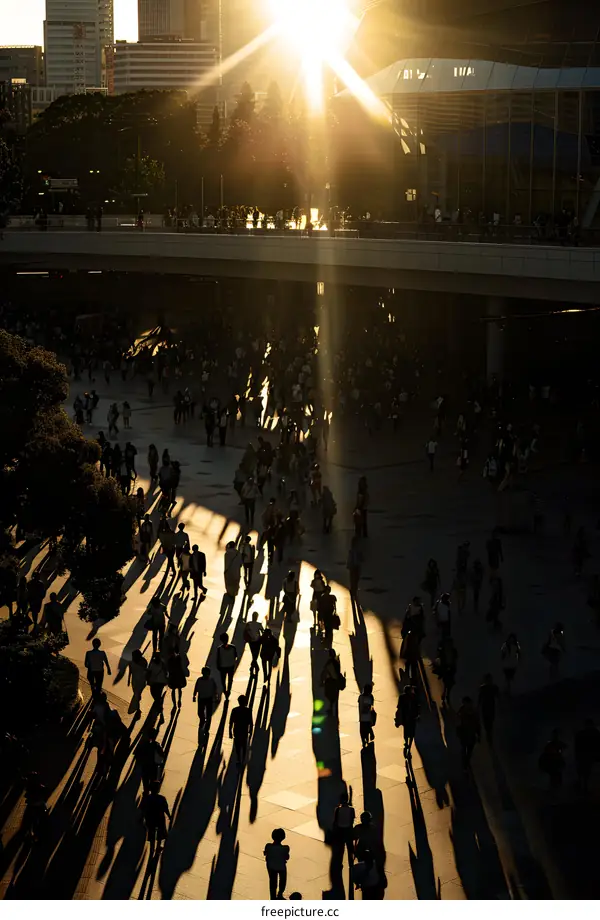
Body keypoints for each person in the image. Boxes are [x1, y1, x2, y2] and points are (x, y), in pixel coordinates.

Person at [142, 781, 171, 851]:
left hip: (150, 818)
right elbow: (165, 808)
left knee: (151, 832)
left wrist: (142, 817)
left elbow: (143, 808)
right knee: (160, 832)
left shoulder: (147, 798)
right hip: (160, 817)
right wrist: (169, 816)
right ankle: (158, 847)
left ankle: (152, 847)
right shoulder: (161, 798)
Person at [264, 828, 290, 900]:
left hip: (271, 866)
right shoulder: (285, 848)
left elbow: (266, 853)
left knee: (272, 881)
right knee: (282, 880)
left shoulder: (268, 846)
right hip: (281, 866)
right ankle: (280, 893)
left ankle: (273, 896)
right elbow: (287, 857)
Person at [574, 719, 600, 792]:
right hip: (590, 756)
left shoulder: (581, 733)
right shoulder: (595, 732)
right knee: (587, 773)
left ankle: (584, 787)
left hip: (584, 756)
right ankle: (585, 788)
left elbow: (577, 747)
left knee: (584, 772)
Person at [193, 666, 218, 739]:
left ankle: (207, 727)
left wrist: (215, 697)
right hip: (201, 698)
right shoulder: (199, 680)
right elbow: (196, 688)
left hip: (209, 698)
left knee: (209, 714)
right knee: (200, 712)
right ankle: (202, 720)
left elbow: (215, 689)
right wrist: (194, 695)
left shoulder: (211, 680)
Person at [457, 696, 480, 771]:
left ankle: (465, 763)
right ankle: (465, 763)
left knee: (468, 750)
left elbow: (477, 724)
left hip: (469, 735)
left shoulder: (464, 712)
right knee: (465, 750)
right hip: (465, 735)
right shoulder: (463, 712)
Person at [395, 684, 419, 755]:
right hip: (407, 717)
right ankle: (408, 744)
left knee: (409, 732)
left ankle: (408, 744)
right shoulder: (410, 697)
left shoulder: (411, 697)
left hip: (410, 717)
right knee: (409, 732)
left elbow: (399, 707)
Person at [332, 790, 355, 865]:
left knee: (340, 849)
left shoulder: (338, 810)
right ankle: (351, 862)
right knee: (350, 848)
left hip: (340, 831)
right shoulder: (351, 810)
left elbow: (335, 822)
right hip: (348, 830)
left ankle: (339, 863)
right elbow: (352, 820)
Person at [229, 694, 253, 765]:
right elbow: (251, 722)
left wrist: (230, 732)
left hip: (236, 730)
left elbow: (231, 722)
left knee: (237, 745)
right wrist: (250, 731)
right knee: (244, 744)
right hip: (244, 730)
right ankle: (242, 758)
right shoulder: (248, 710)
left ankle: (239, 758)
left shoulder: (234, 710)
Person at [321, 649, 345, 718]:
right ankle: (333, 709)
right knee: (334, 695)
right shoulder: (336, 662)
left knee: (329, 695)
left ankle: (331, 709)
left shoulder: (329, 663)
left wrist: (322, 681)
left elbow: (325, 672)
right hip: (335, 682)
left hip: (330, 682)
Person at [478, 673, 499, 743]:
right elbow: (480, 700)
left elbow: (498, 697)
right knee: (488, 725)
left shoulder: (488, 688)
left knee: (489, 725)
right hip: (487, 708)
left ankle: (489, 739)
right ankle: (489, 739)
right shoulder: (485, 688)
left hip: (489, 708)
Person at [216, 632, 238, 698]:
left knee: (223, 679)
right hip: (231, 665)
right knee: (230, 679)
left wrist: (218, 666)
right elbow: (235, 656)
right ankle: (229, 690)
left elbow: (218, 658)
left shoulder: (219, 648)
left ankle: (225, 690)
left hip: (223, 666)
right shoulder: (233, 647)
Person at [128, 649, 148, 714]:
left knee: (136, 694)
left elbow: (130, 671)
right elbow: (146, 670)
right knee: (137, 694)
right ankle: (138, 706)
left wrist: (128, 680)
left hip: (136, 681)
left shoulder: (131, 662)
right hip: (141, 680)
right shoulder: (144, 661)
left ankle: (138, 708)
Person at [358, 683, 376, 747]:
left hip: (363, 717)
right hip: (367, 717)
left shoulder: (361, 697)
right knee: (367, 728)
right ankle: (367, 738)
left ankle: (364, 740)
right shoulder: (370, 697)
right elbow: (370, 705)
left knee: (362, 730)